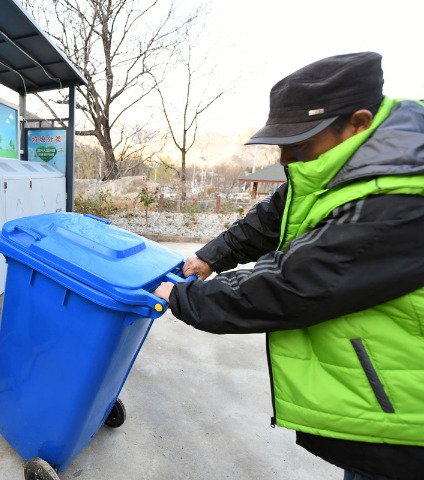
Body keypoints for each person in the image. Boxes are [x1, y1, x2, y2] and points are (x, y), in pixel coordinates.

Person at [153, 52, 424, 480]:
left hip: (410, 414)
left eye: (299, 143)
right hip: (385, 395)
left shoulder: (402, 196)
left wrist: (184, 296)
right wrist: (209, 257)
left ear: (358, 121)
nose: (285, 157)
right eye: (283, 143)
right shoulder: (346, 163)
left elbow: (295, 286)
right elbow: (276, 212)